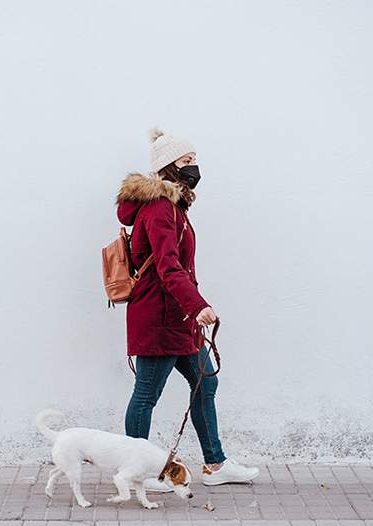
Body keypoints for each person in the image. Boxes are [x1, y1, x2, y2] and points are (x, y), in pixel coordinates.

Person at [114, 127, 260, 491]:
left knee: (204, 382)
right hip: (160, 318)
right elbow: (167, 265)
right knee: (147, 395)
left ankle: (215, 464)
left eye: (194, 160)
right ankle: (140, 472)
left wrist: (192, 308)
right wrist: (199, 306)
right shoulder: (161, 208)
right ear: (168, 168)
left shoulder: (173, 206)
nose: (195, 167)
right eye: (187, 161)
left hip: (178, 318)